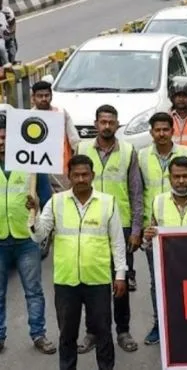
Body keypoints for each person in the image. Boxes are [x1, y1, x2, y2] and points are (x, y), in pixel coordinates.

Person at [31, 155, 128, 370]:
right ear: (69, 177)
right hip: (66, 281)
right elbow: (39, 236)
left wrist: (120, 275)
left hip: (98, 279)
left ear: (93, 175)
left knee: (103, 332)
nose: (81, 179)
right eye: (76, 175)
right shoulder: (56, 202)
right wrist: (34, 213)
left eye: (85, 174)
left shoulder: (107, 202)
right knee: (67, 334)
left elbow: (118, 242)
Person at [75, 105, 141, 354]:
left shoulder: (128, 151)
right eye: (102, 122)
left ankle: (123, 331)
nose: (106, 126)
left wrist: (135, 229)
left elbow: (135, 193)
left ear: (117, 124)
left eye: (111, 122)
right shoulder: (82, 149)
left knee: (120, 282)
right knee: (92, 283)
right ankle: (93, 332)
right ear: (95, 124)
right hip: (89, 226)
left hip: (120, 227)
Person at [0, 115, 56, 354]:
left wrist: (37, 210)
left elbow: (47, 198)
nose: (1, 142)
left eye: (4, 137)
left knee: (33, 290)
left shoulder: (31, 164)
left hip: (25, 239)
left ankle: (38, 334)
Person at [137, 113, 187, 346]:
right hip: (156, 229)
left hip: (186, 228)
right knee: (157, 281)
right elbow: (137, 192)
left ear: (172, 131)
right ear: (151, 132)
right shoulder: (141, 156)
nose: (161, 134)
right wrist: (140, 227)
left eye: (165, 129)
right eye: (156, 130)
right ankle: (160, 324)